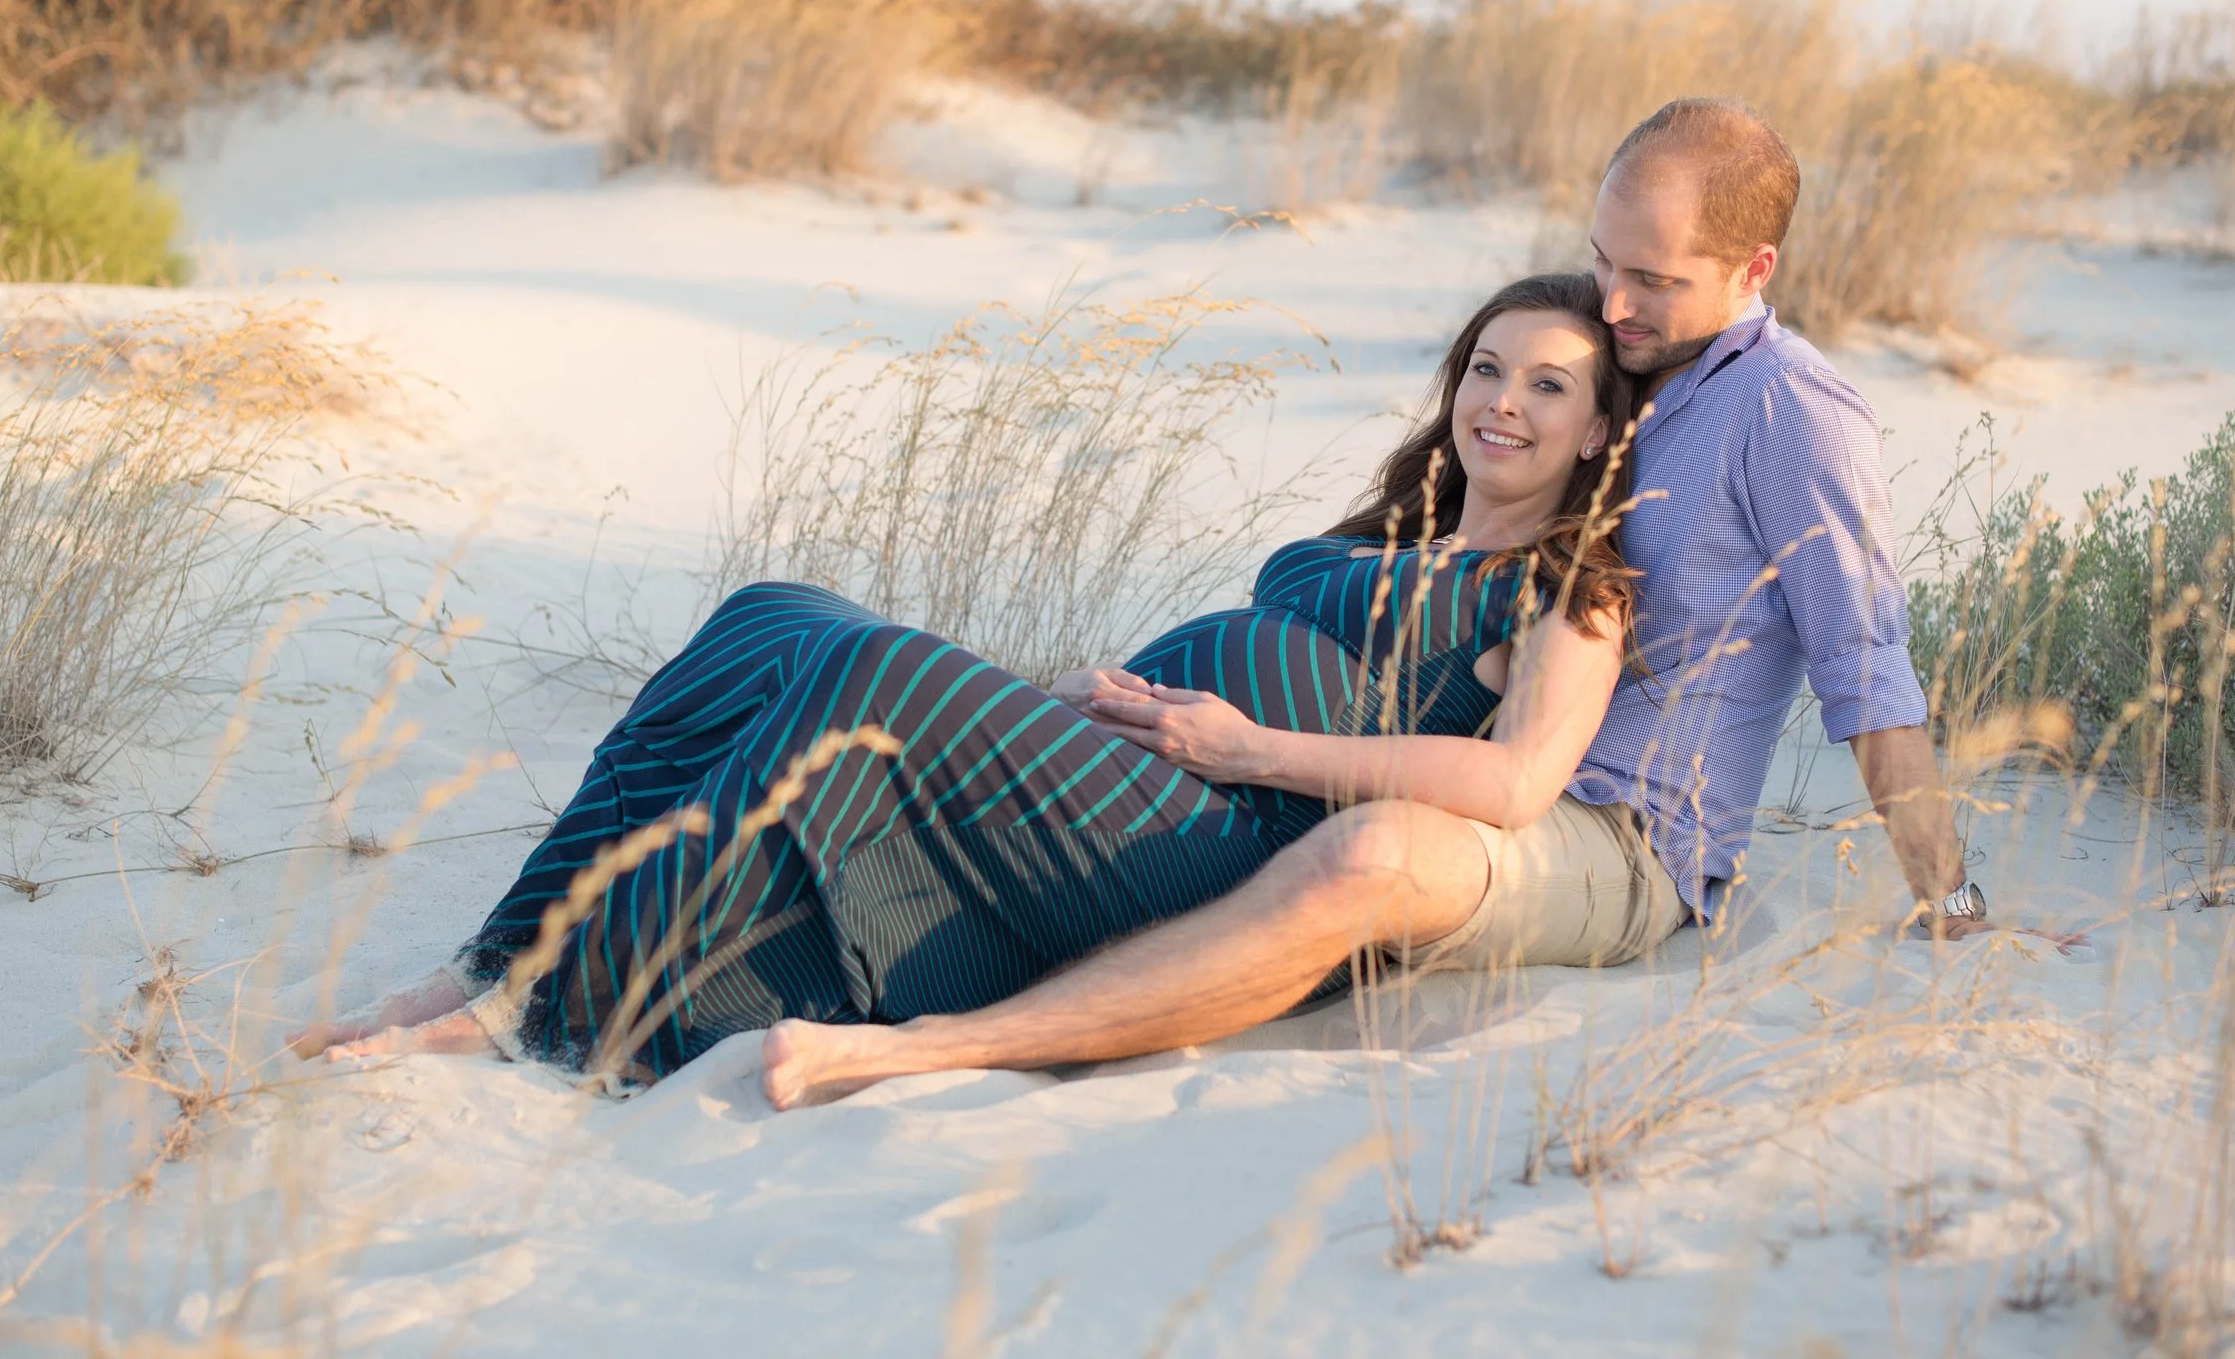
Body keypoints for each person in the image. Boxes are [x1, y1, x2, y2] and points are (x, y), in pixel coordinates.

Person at [750, 97, 1978, 1110]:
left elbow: (1864, 671)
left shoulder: (1793, 412)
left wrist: (1956, 906)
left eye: (1651, 280)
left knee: (1368, 854)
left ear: (1754, 269)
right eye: (1603, 262)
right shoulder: (1645, 368)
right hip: (1466, 758)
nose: (1611, 305)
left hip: (1614, 836)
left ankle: (932, 1051)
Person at [289, 271, 1651, 1085]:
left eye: (1548, 385)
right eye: (1487, 368)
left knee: (875, 670)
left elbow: (1519, 778)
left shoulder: (1565, 589)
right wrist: (1092, 699)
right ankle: (503, 952)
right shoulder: (1391, 534)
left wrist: (1251, 747)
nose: (1506, 403)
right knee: (776, 616)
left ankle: (558, 1017)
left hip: (1236, 840)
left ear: (1597, 428)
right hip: (1145, 779)